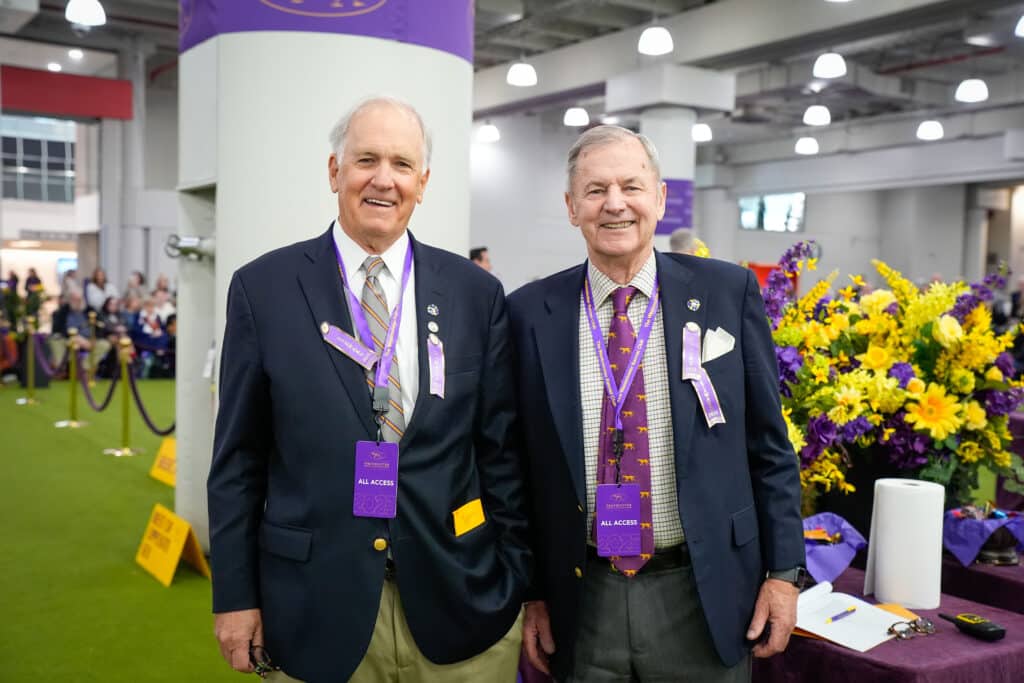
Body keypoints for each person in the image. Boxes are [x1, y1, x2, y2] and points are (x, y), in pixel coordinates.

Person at [208, 97, 530, 683]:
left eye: (402, 165)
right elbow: (238, 459)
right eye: (366, 159)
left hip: (461, 603)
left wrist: (518, 578)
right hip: (314, 606)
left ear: (423, 183)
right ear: (335, 171)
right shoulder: (265, 288)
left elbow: (500, 453)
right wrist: (234, 595)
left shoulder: (474, 294)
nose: (384, 179)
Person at [508, 125, 804, 682]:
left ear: (661, 199)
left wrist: (784, 573)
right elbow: (515, 466)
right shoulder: (529, 314)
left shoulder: (726, 293)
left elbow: (770, 445)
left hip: (706, 587)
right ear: (572, 207)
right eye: (595, 190)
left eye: (631, 186)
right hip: (582, 596)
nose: (614, 204)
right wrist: (532, 592)